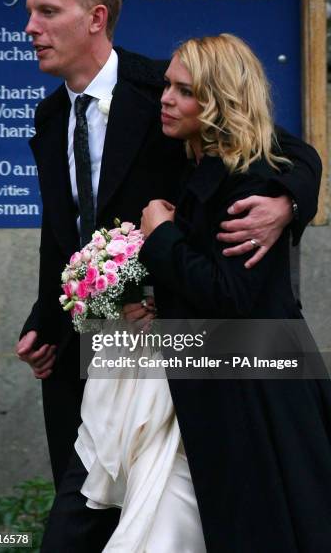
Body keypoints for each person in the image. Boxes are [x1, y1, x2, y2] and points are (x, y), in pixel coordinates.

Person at [14, 0, 321, 552]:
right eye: (32, 13)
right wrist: (45, 325)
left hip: (185, 357)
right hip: (97, 351)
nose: (31, 28)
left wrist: (286, 201)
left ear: (95, 19)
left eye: (47, 12)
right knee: (86, 505)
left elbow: (277, 145)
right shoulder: (49, 118)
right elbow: (66, 235)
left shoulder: (165, 89)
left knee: (173, 513)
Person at [135, 34, 331, 551]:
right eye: (167, 86)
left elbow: (229, 294)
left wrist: (161, 236)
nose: (166, 98)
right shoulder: (200, 158)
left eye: (184, 91)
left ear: (220, 100)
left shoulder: (254, 182)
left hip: (257, 393)